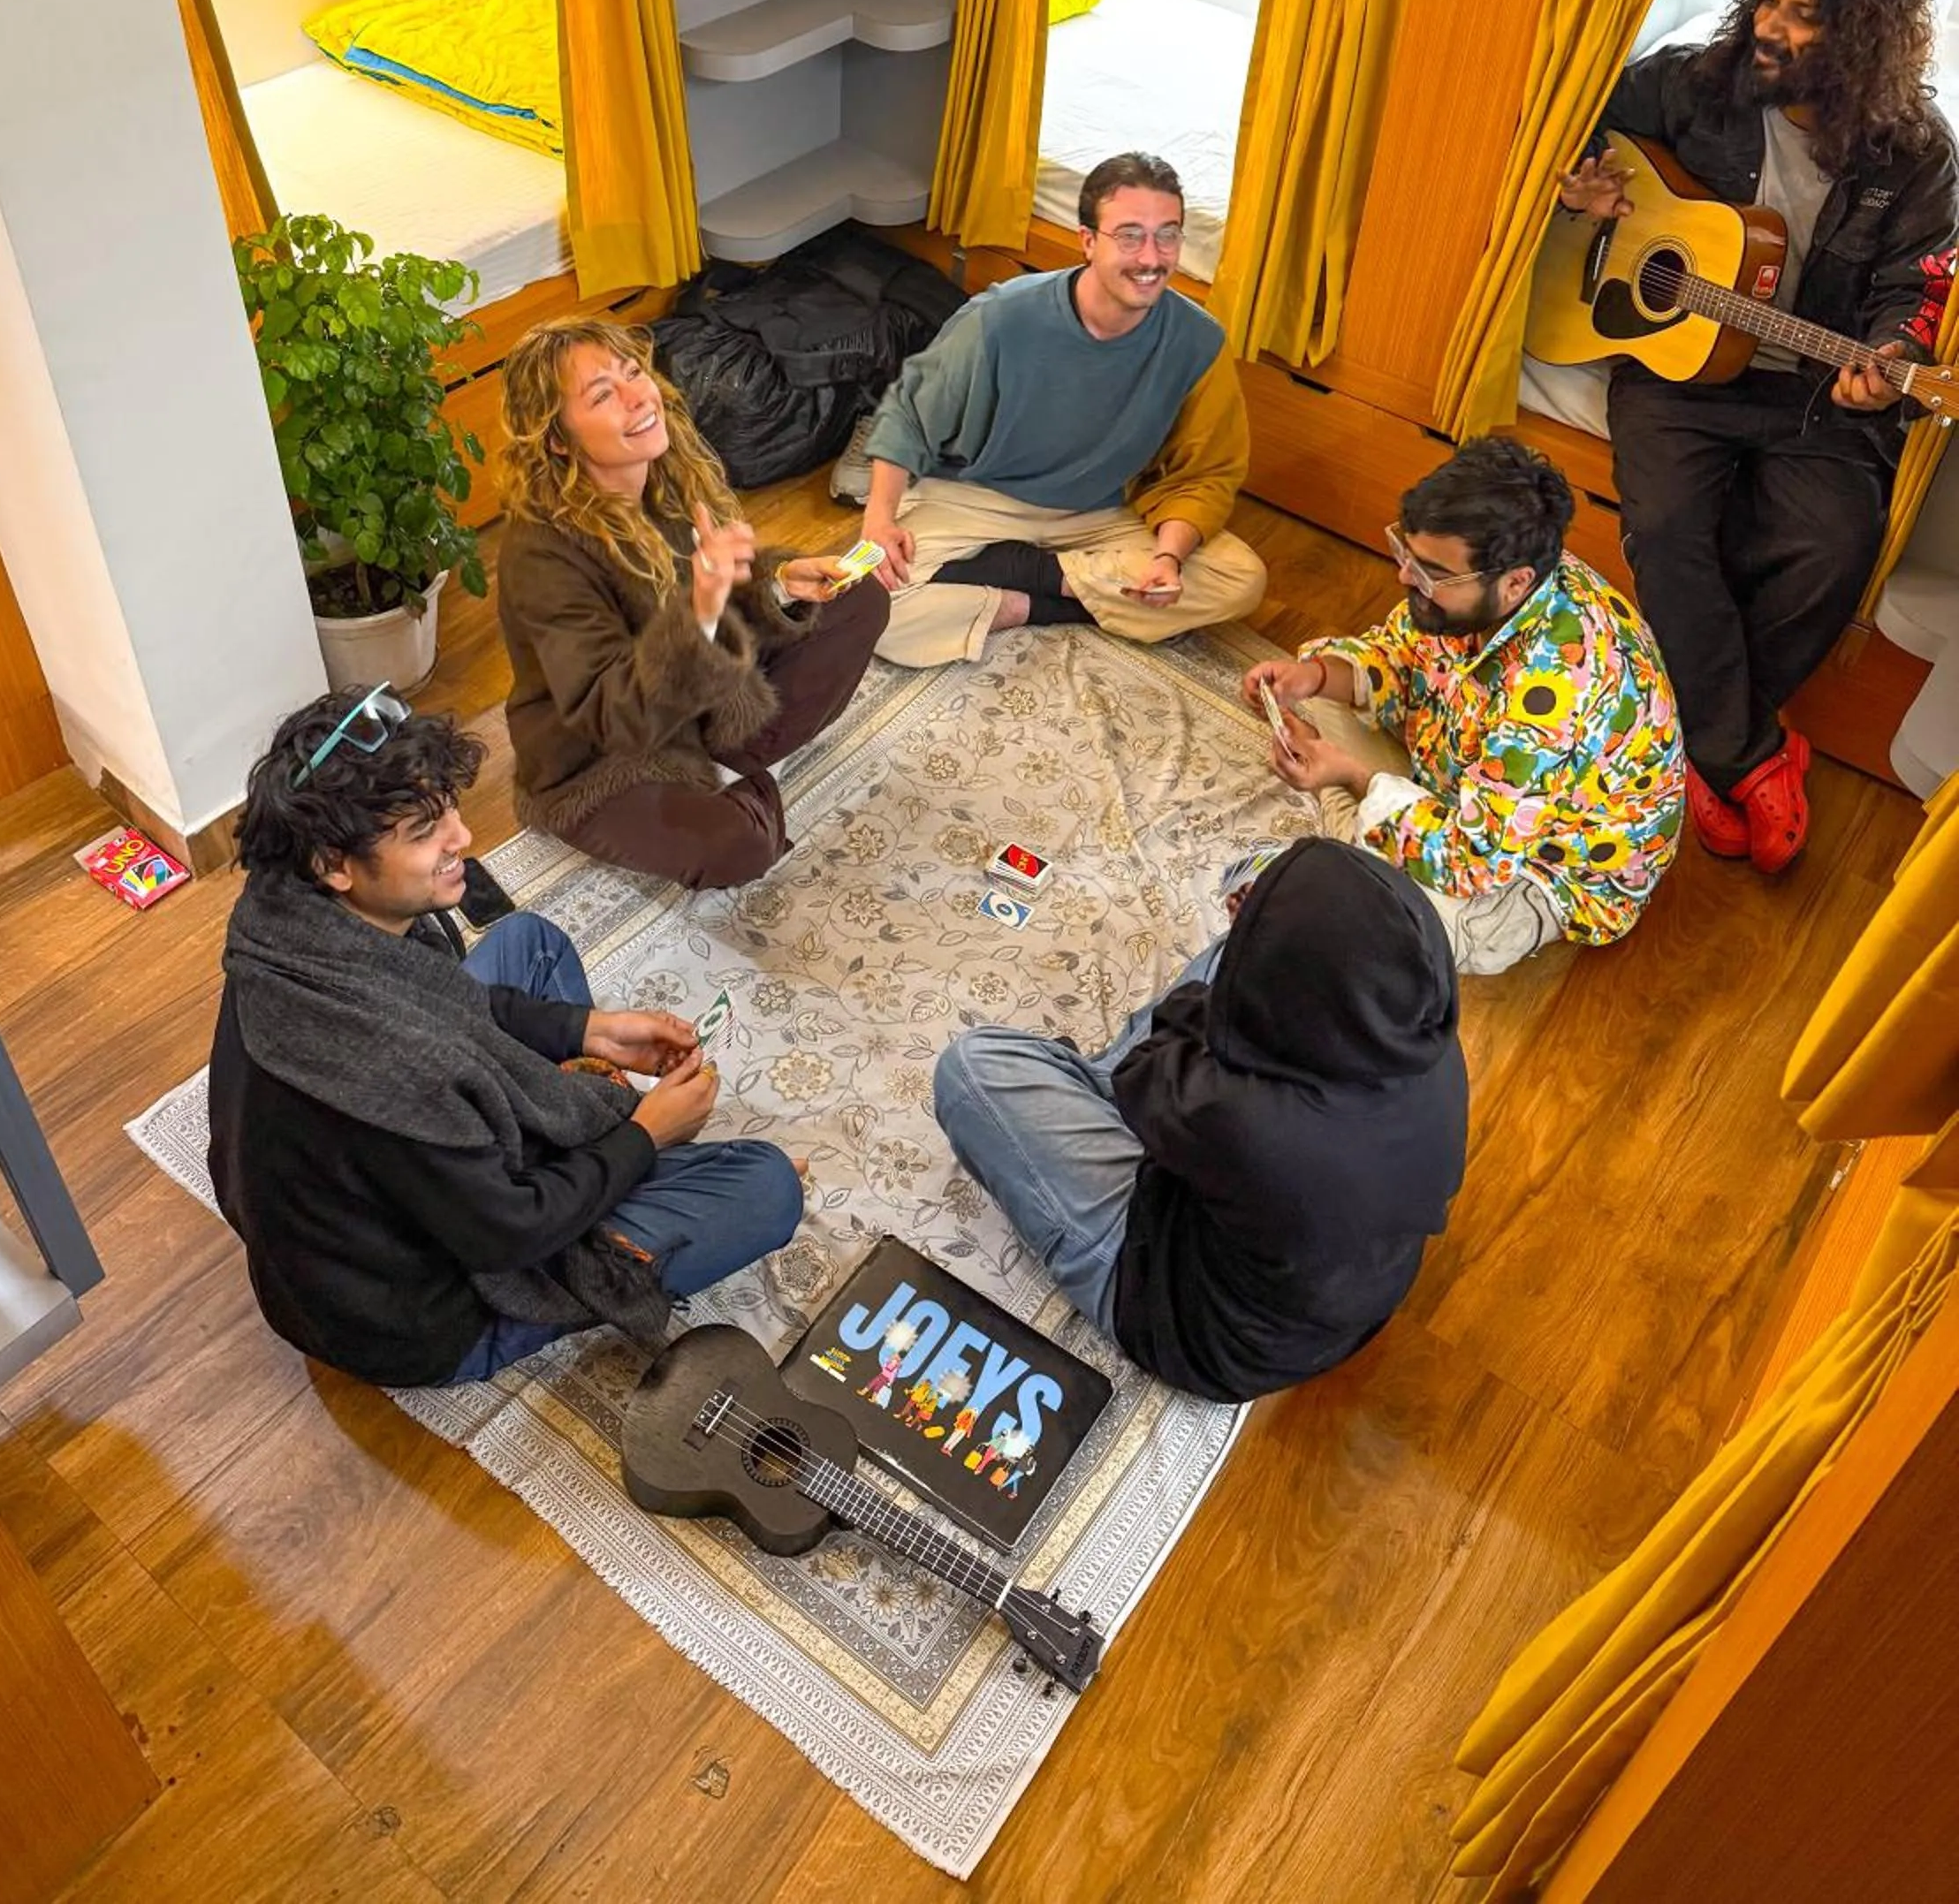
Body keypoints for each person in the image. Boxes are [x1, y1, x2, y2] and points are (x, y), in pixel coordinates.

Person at [208, 687, 804, 1390]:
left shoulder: (288, 923)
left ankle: (599, 1135)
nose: (461, 837)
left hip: (379, 1211)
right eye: (425, 830)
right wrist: (646, 1136)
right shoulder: (390, 1069)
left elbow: (443, 1003)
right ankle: (634, 1169)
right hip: (424, 1320)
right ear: (334, 863)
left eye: (449, 809)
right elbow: (509, 1233)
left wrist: (590, 1030)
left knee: (530, 943)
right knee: (763, 1187)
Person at [1560, 0, 1957, 872]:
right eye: (1771, 1)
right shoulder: (1697, 80)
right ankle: (1747, 752)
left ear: (1863, 36)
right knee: (1663, 526)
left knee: (1834, 547)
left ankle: (1700, 745)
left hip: (1816, 394)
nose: (1770, 27)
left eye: (1802, 16)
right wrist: (1583, 187)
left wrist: (1894, 354)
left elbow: (1918, 288)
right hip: (1677, 369)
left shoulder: (1920, 154)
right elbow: (1572, 118)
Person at [932, 839, 1467, 1404]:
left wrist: (1236, 969)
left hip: (1189, 1316)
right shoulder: (1432, 1045)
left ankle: (1074, 1096)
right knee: (1245, 952)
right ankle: (1085, 1098)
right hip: (1318, 1272)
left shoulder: (1252, 1126)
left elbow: (1154, 1056)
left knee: (972, 1071)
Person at [1245, 438, 1683, 975]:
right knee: (1322, 693)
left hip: (1538, 867)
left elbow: (1471, 864)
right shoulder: (1494, 579)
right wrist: (1311, 677)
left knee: (1406, 935)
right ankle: (1366, 829)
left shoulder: (1552, 696)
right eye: (1405, 553)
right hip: (1468, 776)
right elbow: (1400, 654)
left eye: (1427, 570)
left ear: (1515, 583)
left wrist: (1352, 776)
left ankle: (1358, 825)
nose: (1405, 577)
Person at [496, 318, 888, 889]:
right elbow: (613, 717)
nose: (639, 397)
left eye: (633, 372)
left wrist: (781, 583)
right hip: (599, 759)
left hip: (696, 705)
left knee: (861, 600)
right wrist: (700, 612)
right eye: (604, 395)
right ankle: (733, 786)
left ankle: (730, 770)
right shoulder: (541, 555)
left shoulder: (671, 473)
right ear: (557, 438)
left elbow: (726, 584)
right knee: (739, 848)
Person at [857, 152, 1267, 664]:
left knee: (1241, 578)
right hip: (980, 497)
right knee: (865, 607)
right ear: (1088, 241)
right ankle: (1050, 589)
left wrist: (1167, 557)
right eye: (1130, 235)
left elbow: (1207, 475)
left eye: (1168, 234)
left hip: (1102, 511)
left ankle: (1025, 588)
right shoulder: (1002, 316)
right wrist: (878, 520)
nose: (1151, 257)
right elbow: (908, 416)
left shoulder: (1199, 342)